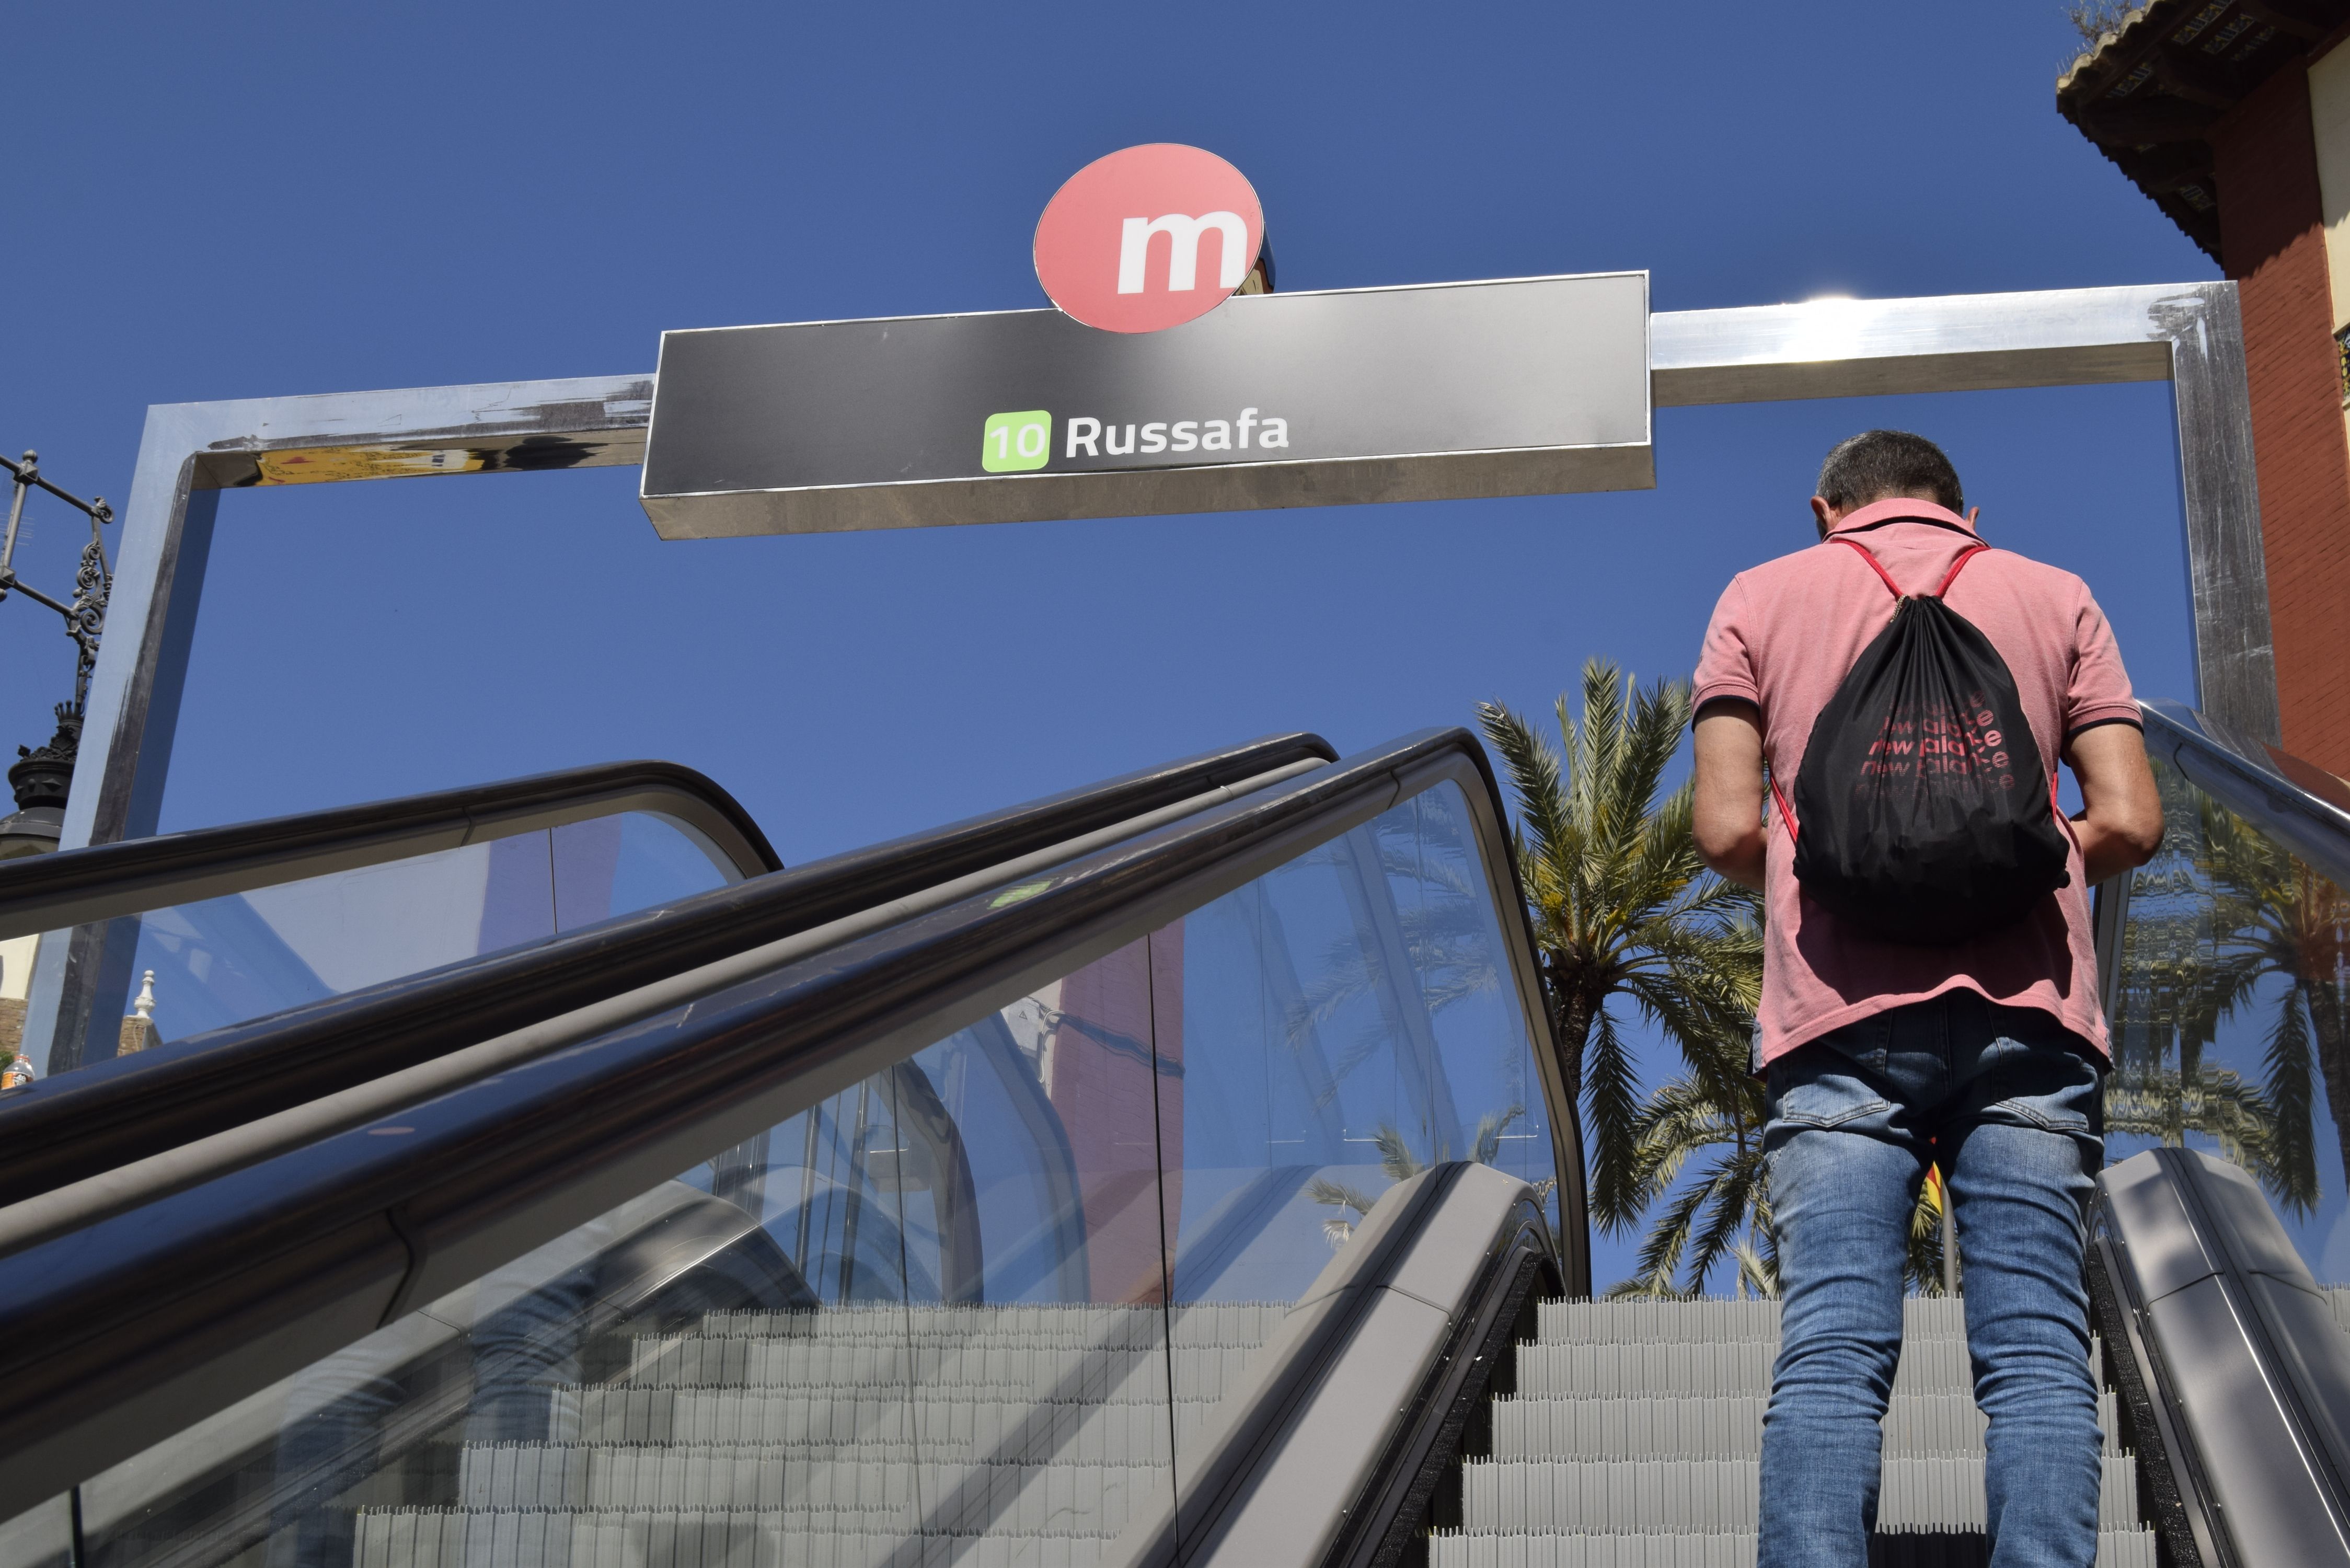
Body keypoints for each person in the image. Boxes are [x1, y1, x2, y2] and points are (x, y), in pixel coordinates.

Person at [1689, 430, 2165, 1568]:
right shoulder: (2053, 597)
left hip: (1837, 1020)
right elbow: (2130, 820)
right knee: (2040, 1355)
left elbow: (1722, 829)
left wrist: (1847, 866)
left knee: (1831, 1353)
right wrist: (2004, 863)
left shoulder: (1761, 597)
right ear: (1964, 509)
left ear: (1825, 511)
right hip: (2030, 1016)